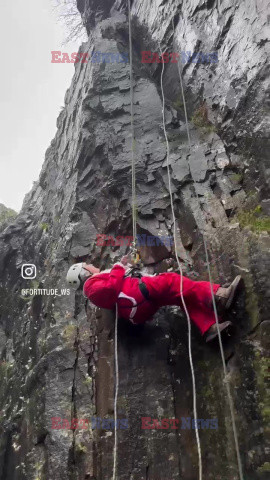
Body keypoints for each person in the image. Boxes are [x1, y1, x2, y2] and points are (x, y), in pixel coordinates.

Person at [66, 258, 242, 342]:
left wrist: (125, 267)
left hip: (138, 303)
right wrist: (118, 267)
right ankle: (219, 296)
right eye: (87, 265)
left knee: (181, 297)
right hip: (137, 294)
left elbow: (112, 288)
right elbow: (111, 289)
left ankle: (209, 327)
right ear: (85, 273)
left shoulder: (95, 284)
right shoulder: (90, 286)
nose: (91, 263)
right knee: (173, 281)